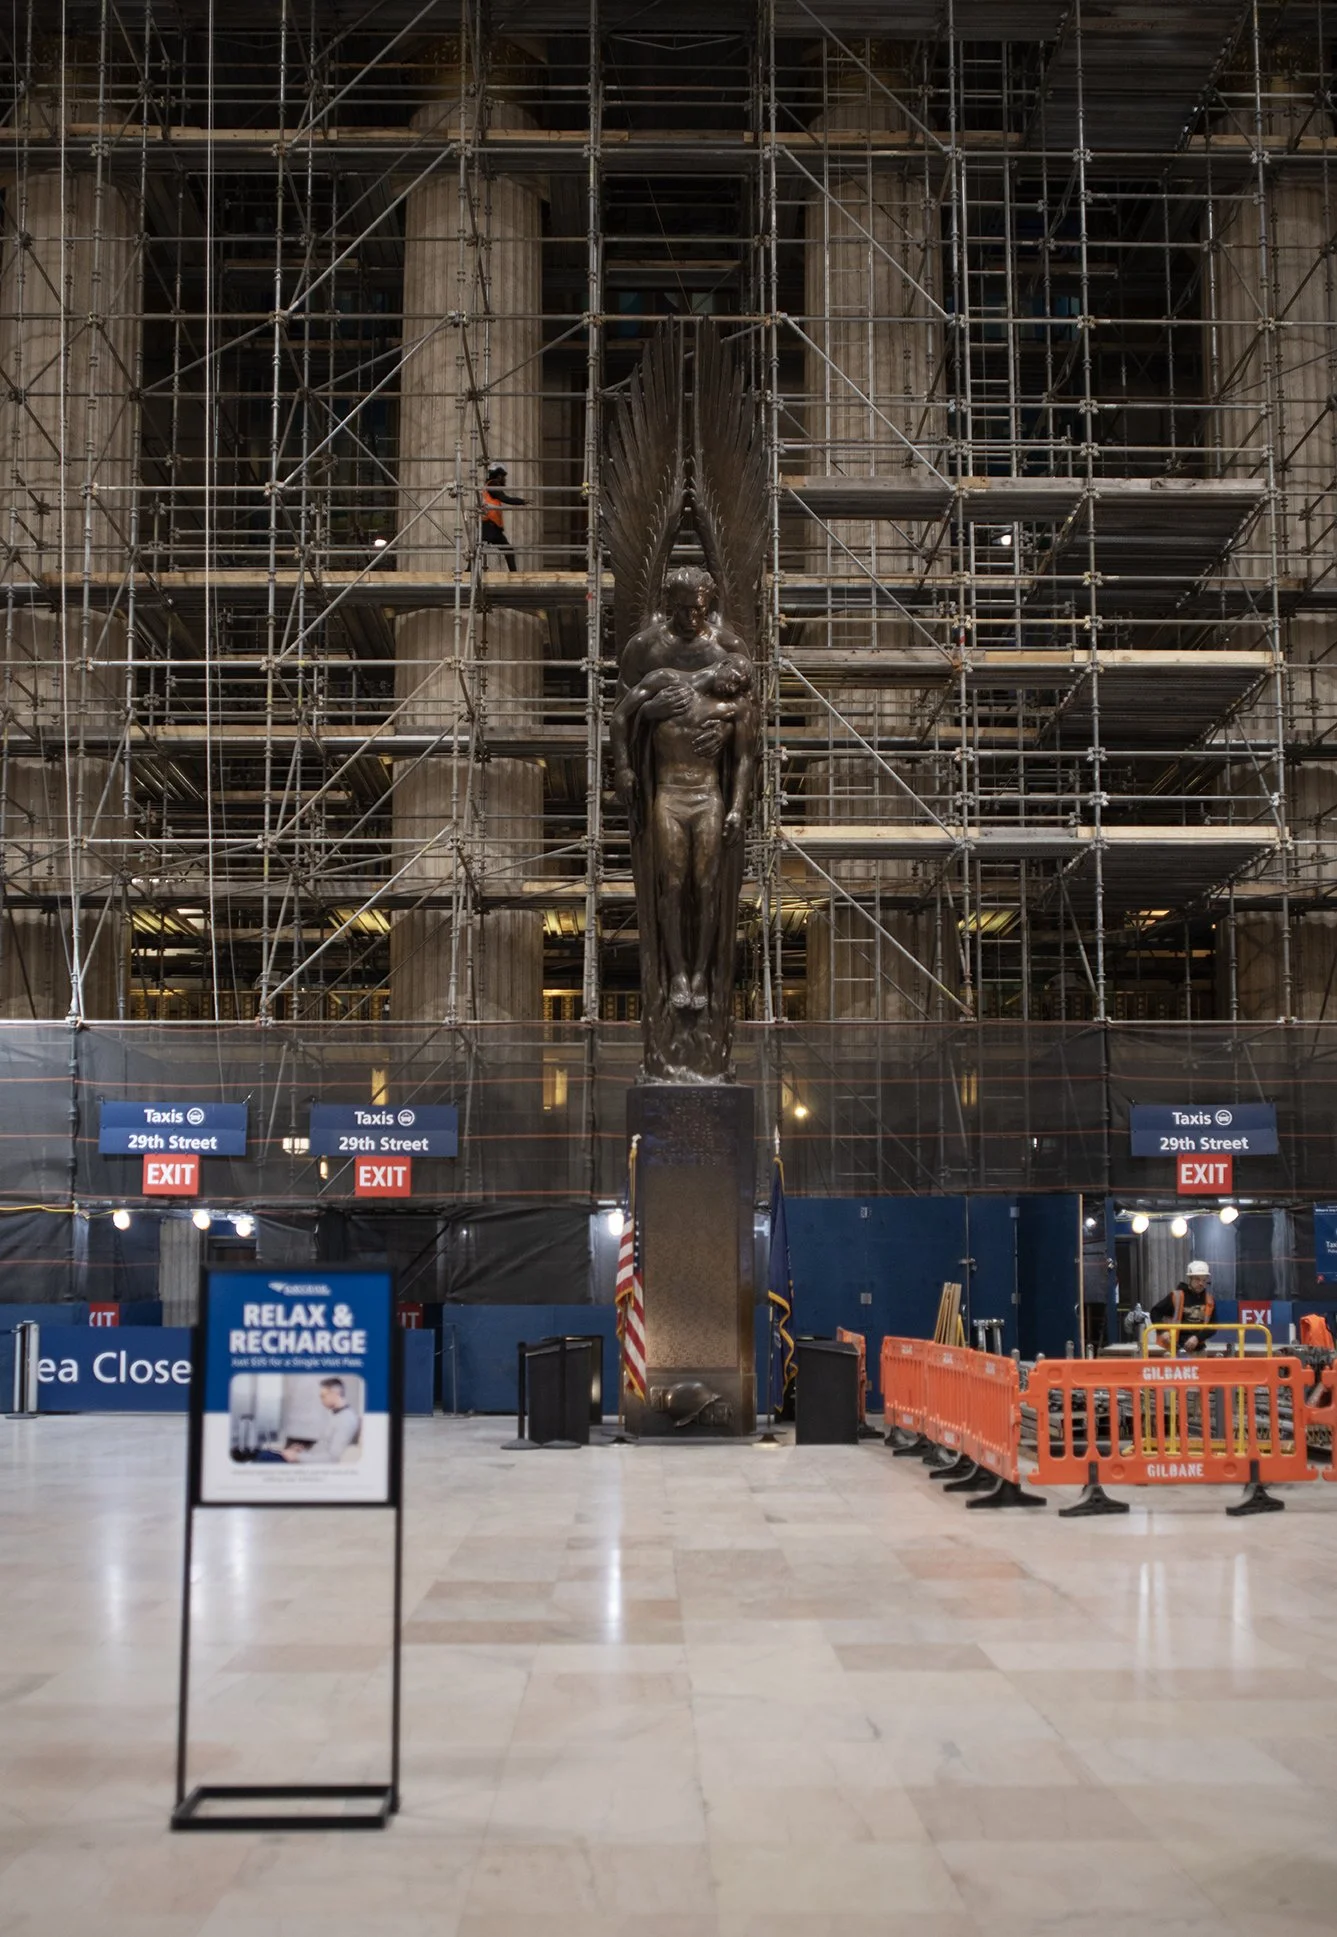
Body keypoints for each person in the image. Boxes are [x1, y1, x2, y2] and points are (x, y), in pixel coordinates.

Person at [612, 637, 756, 1015]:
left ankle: (699, 975)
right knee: (672, 884)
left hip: (708, 796)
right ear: (724, 664)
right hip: (669, 795)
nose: (737, 684)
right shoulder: (665, 679)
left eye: (743, 684)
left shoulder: (734, 708)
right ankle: (676, 973)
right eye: (737, 675)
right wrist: (624, 766)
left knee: (707, 887)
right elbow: (620, 717)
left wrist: (738, 808)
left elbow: (744, 761)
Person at [278, 1377, 361, 1464]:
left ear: (335, 1394)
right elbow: (323, 1446)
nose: (321, 1401)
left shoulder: (346, 1420)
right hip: (308, 1458)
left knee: (267, 1457)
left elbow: (333, 1458)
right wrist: (304, 1452)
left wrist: (298, 1457)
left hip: (312, 1467)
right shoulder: (336, 1416)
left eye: (323, 1396)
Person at [1150, 1260, 1216, 1353]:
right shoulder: (1176, 1296)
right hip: (1175, 1348)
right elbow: (1155, 1312)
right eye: (1197, 1279)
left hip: (1198, 1349)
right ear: (1190, 1279)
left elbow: (1213, 1326)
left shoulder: (1210, 1300)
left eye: (1204, 1280)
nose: (1201, 1283)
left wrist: (1197, 1338)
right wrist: (1162, 1331)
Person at [479, 463, 524, 570]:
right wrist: (521, 501)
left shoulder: (489, 486)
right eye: (504, 477)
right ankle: (514, 575)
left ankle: (469, 570)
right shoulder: (493, 484)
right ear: (499, 476)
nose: (504, 479)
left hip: (490, 526)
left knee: (478, 549)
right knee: (507, 550)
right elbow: (505, 498)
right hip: (489, 526)